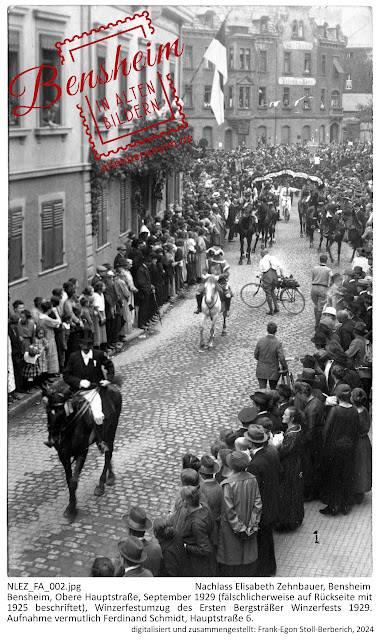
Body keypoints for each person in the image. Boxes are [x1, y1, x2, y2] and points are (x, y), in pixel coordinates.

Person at [59, 328, 114, 453]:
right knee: (60, 409)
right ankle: (58, 437)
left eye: (89, 344)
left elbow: (110, 366)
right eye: (84, 344)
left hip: (93, 392)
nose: (86, 347)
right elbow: (66, 375)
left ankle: (100, 441)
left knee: (97, 414)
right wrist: (78, 382)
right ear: (80, 344)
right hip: (76, 391)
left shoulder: (98, 355)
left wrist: (108, 379)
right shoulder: (73, 357)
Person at [217, 451, 262, 577]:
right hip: (249, 525)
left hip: (232, 530)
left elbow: (229, 511)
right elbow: (257, 504)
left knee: (233, 560)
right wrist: (252, 526)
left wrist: (240, 529)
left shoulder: (227, 484)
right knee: (247, 557)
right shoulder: (253, 479)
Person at [319, 384, 359, 516]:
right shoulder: (354, 410)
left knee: (334, 477)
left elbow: (326, 431)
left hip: (335, 449)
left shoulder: (335, 411)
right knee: (347, 475)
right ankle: (345, 505)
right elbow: (356, 430)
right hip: (350, 447)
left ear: (337, 396)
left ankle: (333, 506)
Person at [246, 424, 280, 577]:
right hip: (273, 501)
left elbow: (254, 491)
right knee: (268, 539)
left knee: (262, 541)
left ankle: (264, 571)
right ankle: (270, 567)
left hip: (263, 508)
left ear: (252, 443)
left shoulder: (254, 464)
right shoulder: (272, 451)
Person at [274, 407, 304, 532]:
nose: (283, 416)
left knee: (287, 493)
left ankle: (287, 521)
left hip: (289, 467)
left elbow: (282, 452)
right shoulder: (297, 428)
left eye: (285, 415)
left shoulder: (292, 435)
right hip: (295, 463)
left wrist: (276, 444)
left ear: (292, 418)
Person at [115, 506, 162, 577]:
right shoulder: (157, 549)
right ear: (144, 529)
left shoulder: (125, 552)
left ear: (129, 530)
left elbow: (116, 574)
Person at [180, 485, 216, 577]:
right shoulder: (204, 506)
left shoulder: (196, 523)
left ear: (185, 502)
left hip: (197, 564)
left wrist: (185, 546)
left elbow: (205, 549)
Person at [351, 388, 372, 505]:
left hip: (357, 443)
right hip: (364, 442)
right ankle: (361, 491)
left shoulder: (355, 414)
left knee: (357, 467)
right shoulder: (364, 410)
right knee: (363, 468)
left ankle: (357, 492)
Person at [254, 322, 288, 390]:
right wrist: (285, 366)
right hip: (273, 370)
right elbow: (281, 357)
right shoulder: (277, 343)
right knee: (273, 389)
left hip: (261, 369)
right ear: (276, 331)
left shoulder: (260, 341)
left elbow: (256, 355)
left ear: (267, 330)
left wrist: (262, 360)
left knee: (262, 389)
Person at [258, 248, 283, 315]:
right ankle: (276, 307)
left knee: (268, 294)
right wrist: (281, 274)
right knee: (272, 291)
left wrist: (259, 276)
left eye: (261, 254)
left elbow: (261, 271)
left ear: (263, 254)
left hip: (267, 277)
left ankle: (271, 310)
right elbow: (280, 267)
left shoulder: (262, 261)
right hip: (274, 276)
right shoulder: (273, 258)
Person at [311, 254, 333, 329]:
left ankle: (316, 320)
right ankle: (317, 324)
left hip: (314, 287)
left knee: (316, 305)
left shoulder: (314, 268)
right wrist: (330, 285)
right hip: (322, 288)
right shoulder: (328, 270)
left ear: (319, 260)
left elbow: (312, 278)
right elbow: (332, 277)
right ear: (326, 261)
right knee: (320, 308)